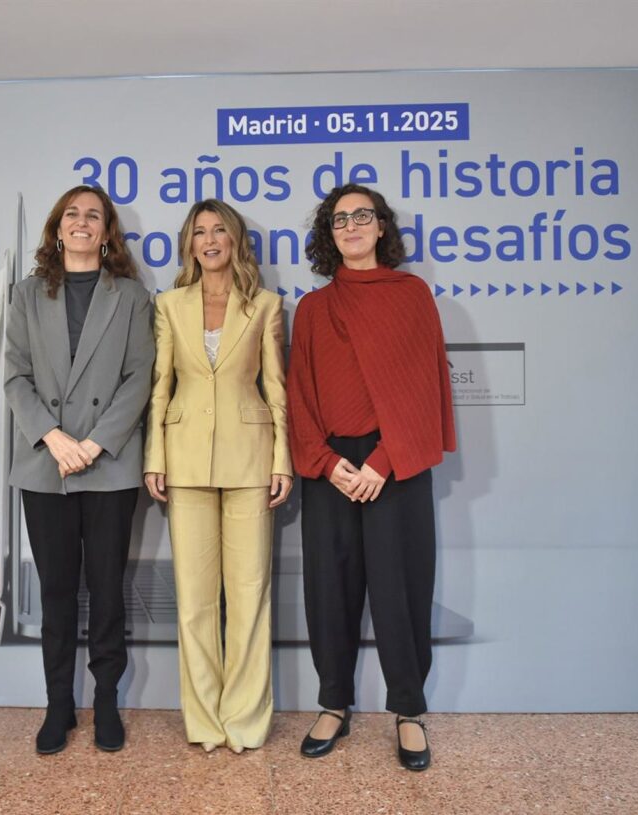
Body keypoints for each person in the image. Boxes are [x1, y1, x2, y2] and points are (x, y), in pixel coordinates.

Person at [286, 183, 456, 770]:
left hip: (395, 462)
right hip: (331, 464)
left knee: (400, 588)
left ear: (382, 226)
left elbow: (421, 388)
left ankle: (409, 709)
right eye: (340, 220)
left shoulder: (413, 296)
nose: (352, 226)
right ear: (328, 236)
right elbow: (298, 397)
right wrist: (330, 463)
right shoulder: (312, 308)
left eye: (363, 216)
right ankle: (333, 703)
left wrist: (382, 462)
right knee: (329, 591)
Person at [3, 185, 154, 754]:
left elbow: (140, 377)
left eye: (94, 215)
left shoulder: (133, 297)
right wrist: (53, 434)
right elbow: (15, 376)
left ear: (107, 230)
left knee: (108, 592)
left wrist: (94, 444)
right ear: (57, 228)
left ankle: (108, 700)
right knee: (57, 590)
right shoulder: (25, 295)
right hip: (45, 464)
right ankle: (59, 706)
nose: (83, 222)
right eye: (73, 214)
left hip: (108, 466)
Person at [143, 199, 292, 753]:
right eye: (200, 232)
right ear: (189, 244)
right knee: (195, 600)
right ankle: (204, 722)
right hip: (183, 461)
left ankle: (246, 721)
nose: (210, 240)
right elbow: (161, 385)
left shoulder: (267, 305)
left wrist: (283, 461)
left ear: (235, 241)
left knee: (250, 595)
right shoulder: (168, 305)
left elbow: (276, 388)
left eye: (219, 231)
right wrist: (153, 456)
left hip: (251, 459)